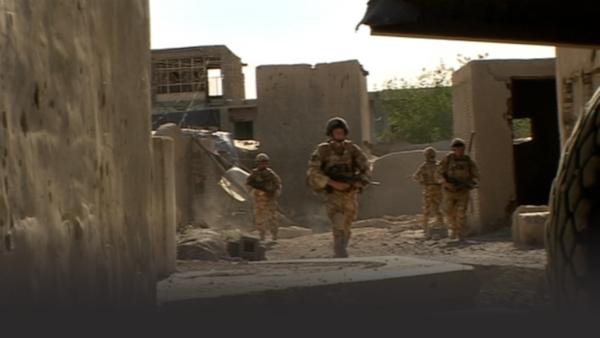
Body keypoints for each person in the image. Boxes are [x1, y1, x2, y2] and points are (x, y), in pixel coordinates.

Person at [307, 117, 371, 258]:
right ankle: (340, 251)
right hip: (333, 194)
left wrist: (360, 181)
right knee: (338, 223)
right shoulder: (323, 150)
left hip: (350, 193)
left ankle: (342, 247)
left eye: (341, 132)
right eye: (336, 132)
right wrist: (332, 183)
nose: (339, 135)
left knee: (347, 225)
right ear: (331, 133)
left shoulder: (352, 149)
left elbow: (366, 166)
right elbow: (313, 172)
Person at [437, 138, 480, 240]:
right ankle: (453, 229)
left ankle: (460, 232)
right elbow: (439, 172)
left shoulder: (467, 160)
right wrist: (445, 183)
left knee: (461, 212)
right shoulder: (447, 159)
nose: (461, 152)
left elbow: (476, 173)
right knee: (448, 212)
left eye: (462, 149)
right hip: (449, 190)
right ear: (453, 149)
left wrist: (473, 180)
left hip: (463, 190)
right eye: (458, 149)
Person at [246, 153, 282, 241]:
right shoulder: (254, 174)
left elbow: (278, 184)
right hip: (259, 200)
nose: (263, 164)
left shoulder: (271, 174)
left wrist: (275, 193)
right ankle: (262, 235)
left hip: (269, 199)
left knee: (272, 217)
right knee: (259, 218)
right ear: (257, 163)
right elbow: (248, 184)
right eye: (261, 162)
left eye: (265, 162)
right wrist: (252, 193)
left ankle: (274, 235)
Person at [412, 147, 444, 239]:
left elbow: (416, 177)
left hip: (428, 189)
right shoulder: (439, 166)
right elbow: (443, 178)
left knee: (427, 209)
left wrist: (421, 182)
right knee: (437, 209)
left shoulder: (424, 166)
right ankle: (441, 226)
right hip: (438, 189)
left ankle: (426, 228)